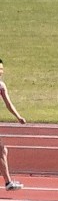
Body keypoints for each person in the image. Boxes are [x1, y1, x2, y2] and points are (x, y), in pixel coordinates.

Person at [0, 58, 27, 190]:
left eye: (1, 69)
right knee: (1, 150)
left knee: (3, 150)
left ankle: (8, 182)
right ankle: (8, 183)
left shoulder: (1, 86)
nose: (1, 71)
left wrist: (18, 116)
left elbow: (8, 104)